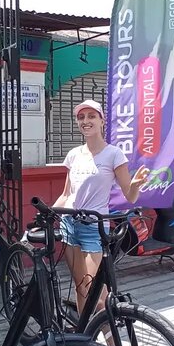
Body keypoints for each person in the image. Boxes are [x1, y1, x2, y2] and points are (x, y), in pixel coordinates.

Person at [54, 99, 149, 316]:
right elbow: (67, 194)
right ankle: (83, 338)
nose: (85, 121)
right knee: (80, 287)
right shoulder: (74, 155)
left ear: (102, 121)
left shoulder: (114, 154)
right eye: (81, 117)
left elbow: (130, 196)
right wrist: (47, 213)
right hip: (69, 224)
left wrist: (136, 185)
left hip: (93, 228)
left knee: (93, 289)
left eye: (91, 116)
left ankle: (112, 344)